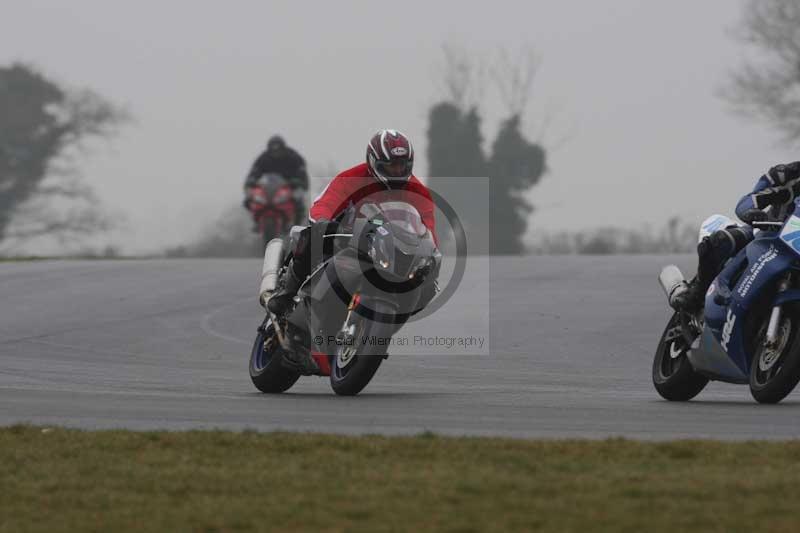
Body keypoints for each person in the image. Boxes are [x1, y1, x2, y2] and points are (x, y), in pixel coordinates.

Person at [267, 129, 438, 316]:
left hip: (388, 251)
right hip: (346, 239)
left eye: (402, 165)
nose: (397, 171)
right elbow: (323, 204)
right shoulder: (350, 178)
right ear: (373, 162)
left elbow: (428, 229)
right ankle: (287, 292)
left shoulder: (418, 192)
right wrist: (323, 222)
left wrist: (429, 254)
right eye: (390, 166)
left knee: (426, 285)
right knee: (311, 235)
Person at [670, 162, 800, 312]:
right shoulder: (787, 175)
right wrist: (751, 212)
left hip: (795, 253)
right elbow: (748, 201)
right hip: (767, 235)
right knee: (722, 241)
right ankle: (697, 295)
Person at [244, 135, 309, 224]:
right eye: (273, 150)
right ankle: (257, 222)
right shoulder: (264, 158)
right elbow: (255, 170)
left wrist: (300, 181)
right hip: (271, 187)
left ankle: (297, 225)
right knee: (249, 200)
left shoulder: (293, 157)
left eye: (278, 150)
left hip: (291, 186)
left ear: (283, 148)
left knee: (298, 201)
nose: (276, 152)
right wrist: (251, 180)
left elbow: (302, 171)